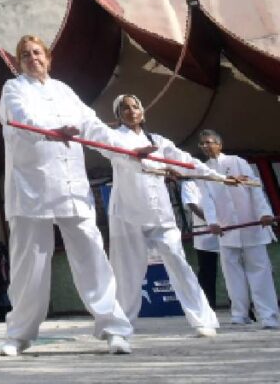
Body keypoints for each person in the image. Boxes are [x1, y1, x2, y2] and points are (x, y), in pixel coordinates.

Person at [0, 35, 150, 357]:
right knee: (30, 264)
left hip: (71, 188)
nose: (32, 58)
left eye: (37, 53)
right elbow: (21, 119)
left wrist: (132, 150)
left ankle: (114, 329)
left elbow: (93, 128)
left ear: (48, 58)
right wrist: (55, 132)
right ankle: (18, 334)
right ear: (19, 61)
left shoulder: (65, 92)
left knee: (93, 255)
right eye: (25, 55)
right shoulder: (14, 89)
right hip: (31, 189)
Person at [103, 95, 227, 337]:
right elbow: (123, 158)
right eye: (124, 108)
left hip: (160, 214)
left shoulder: (157, 141)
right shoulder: (114, 138)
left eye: (135, 106)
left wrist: (220, 177)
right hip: (128, 215)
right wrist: (156, 166)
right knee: (126, 273)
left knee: (179, 263)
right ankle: (120, 327)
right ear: (118, 115)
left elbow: (186, 162)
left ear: (142, 112)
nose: (131, 111)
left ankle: (203, 320)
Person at [196, 129, 279, 328]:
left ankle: (269, 316)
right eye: (203, 144)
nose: (206, 146)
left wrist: (263, 214)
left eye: (209, 142)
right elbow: (206, 199)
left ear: (219, 144)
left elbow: (255, 188)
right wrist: (212, 222)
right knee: (232, 275)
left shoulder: (237, 162)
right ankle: (240, 314)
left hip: (250, 225)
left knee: (259, 272)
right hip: (227, 229)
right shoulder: (203, 170)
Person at [181, 180, 220, 308]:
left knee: (232, 271)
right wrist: (211, 221)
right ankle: (209, 306)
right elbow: (192, 205)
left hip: (225, 228)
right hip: (204, 231)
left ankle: (242, 308)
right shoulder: (188, 183)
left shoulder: (213, 179)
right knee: (207, 272)